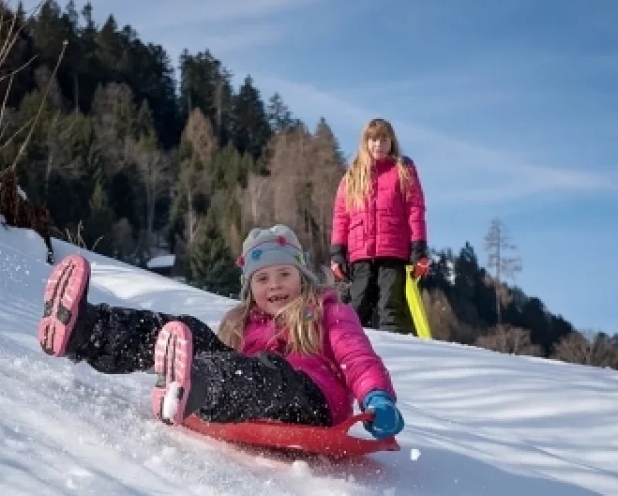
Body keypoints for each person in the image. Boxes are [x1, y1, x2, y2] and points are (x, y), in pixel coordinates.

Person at [36, 225, 405, 438]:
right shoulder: (244, 322)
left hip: (314, 401)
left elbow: (357, 357)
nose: (274, 286)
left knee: (266, 373)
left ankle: (192, 386)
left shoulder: (326, 310)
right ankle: (86, 330)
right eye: (262, 278)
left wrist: (377, 397)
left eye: (284, 275)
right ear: (249, 286)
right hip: (254, 388)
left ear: (302, 276)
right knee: (188, 331)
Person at [330, 117, 430, 334]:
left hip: (394, 252)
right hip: (359, 255)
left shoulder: (403, 170)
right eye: (373, 139)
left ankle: (393, 353)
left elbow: (415, 210)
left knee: (390, 307)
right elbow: (341, 216)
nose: (379, 145)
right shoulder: (353, 175)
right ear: (365, 142)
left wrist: (418, 248)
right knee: (358, 307)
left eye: (384, 139)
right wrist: (337, 253)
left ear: (391, 142)